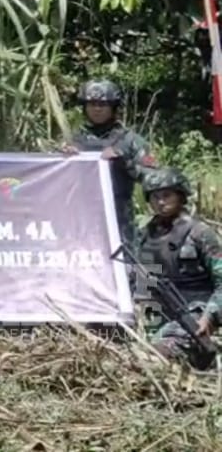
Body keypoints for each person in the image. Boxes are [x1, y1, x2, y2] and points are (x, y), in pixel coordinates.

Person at [132, 168, 222, 369]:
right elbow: (139, 280)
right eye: (155, 197)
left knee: (159, 353)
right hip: (156, 311)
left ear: (181, 196)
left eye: (166, 195)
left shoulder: (199, 233)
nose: (160, 202)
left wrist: (209, 316)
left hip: (196, 311)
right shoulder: (145, 235)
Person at [62, 79, 156, 246]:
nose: (97, 109)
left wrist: (124, 163)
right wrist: (64, 160)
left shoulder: (130, 141)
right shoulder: (74, 142)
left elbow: (153, 178)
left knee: (124, 266)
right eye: (92, 104)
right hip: (81, 218)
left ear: (113, 107)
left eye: (103, 104)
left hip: (119, 218)